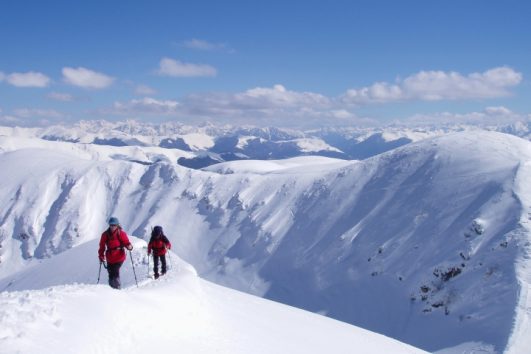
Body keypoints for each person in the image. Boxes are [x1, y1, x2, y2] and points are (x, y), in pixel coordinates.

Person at [98, 216, 133, 289]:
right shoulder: (105, 235)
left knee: (115, 271)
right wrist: (101, 256)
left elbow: (126, 242)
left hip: (119, 256)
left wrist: (129, 246)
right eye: (111, 225)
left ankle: (117, 288)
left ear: (117, 225)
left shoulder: (121, 233)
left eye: (114, 225)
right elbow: (102, 246)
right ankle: (112, 289)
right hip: (110, 257)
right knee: (110, 273)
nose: (112, 227)